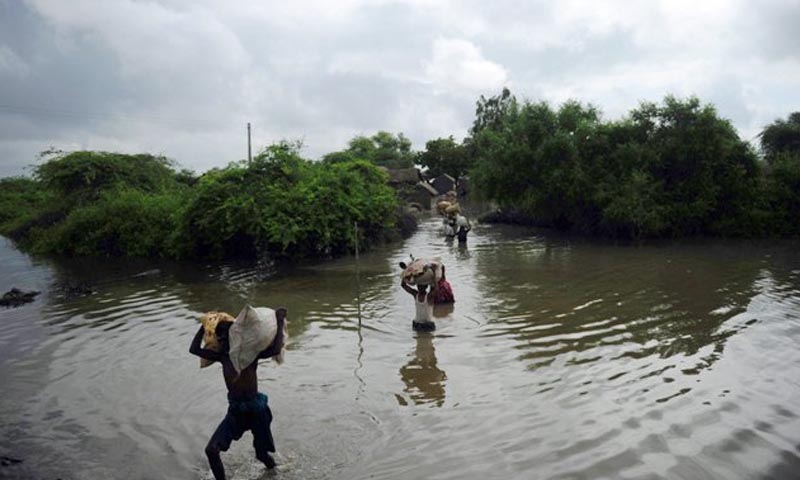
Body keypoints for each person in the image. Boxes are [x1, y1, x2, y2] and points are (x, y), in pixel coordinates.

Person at [189, 308, 288, 480]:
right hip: (236, 411)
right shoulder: (222, 357)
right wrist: (205, 326)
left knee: (261, 455)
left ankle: (275, 474)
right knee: (211, 450)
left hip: (257, 410)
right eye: (219, 338)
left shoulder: (251, 355)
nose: (222, 341)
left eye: (225, 337)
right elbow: (194, 349)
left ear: (234, 337)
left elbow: (275, 349)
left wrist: (279, 321)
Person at [400, 265, 439, 331]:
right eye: (419, 286)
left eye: (421, 286)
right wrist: (406, 273)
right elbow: (403, 285)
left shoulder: (429, 296)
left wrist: (434, 272)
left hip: (428, 325)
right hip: (417, 324)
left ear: (426, 287)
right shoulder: (416, 294)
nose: (419, 288)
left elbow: (436, 288)